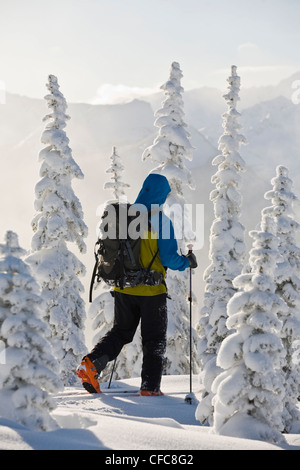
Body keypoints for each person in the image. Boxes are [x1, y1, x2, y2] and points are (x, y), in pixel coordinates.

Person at [76, 173, 197, 396]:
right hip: (152, 291)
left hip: (123, 288)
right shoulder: (161, 221)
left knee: (120, 332)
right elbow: (170, 259)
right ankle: (149, 388)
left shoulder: (127, 216)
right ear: (161, 195)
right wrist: (187, 261)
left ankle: (90, 364)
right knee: (154, 340)